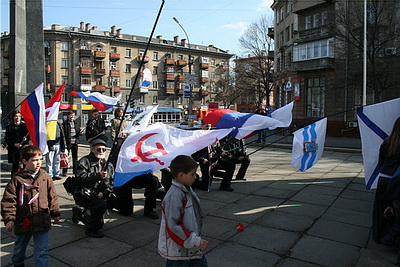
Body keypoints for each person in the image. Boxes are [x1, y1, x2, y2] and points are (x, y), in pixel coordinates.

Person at [1, 145, 60, 267]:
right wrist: (9, 219)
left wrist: (55, 213)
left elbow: (52, 196)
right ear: (25, 162)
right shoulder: (17, 180)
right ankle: (18, 263)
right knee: (19, 248)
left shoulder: (45, 176)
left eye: (39, 159)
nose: (38, 162)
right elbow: (8, 201)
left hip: (42, 219)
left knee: (42, 251)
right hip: (24, 220)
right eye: (34, 160)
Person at [158, 155, 209, 266]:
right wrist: (195, 241)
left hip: (191, 248)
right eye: (192, 174)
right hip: (178, 254)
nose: (195, 177)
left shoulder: (186, 189)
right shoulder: (174, 196)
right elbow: (173, 226)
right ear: (181, 175)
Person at [372, 117, 400, 265]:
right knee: (396, 211)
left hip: (384, 178)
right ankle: (392, 239)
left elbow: (381, 161)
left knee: (381, 209)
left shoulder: (387, 141)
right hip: (397, 180)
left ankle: (379, 235)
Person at [73, 139, 114, 238]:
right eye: (98, 149)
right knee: (101, 206)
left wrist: (104, 193)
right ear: (92, 149)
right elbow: (80, 178)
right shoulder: (84, 161)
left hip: (99, 193)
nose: (101, 152)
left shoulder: (108, 165)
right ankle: (90, 230)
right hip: (85, 193)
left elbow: (111, 182)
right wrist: (97, 176)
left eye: (103, 150)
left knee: (101, 221)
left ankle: (79, 214)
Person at [192, 122, 235, 192]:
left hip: (216, 160)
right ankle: (195, 182)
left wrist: (222, 152)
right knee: (205, 187)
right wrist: (201, 159)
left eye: (209, 126)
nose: (208, 128)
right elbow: (193, 154)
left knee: (231, 166)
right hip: (206, 163)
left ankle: (225, 185)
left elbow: (218, 147)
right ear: (202, 126)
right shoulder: (198, 138)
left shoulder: (213, 136)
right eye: (206, 126)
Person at [4, 110, 30, 176]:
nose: (17, 118)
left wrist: (26, 138)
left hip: (23, 147)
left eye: (19, 116)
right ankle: (13, 179)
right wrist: (14, 144)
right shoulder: (9, 127)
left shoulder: (25, 126)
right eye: (16, 116)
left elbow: (29, 136)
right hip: (14, 148)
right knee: (15, 165)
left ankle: (25, 178)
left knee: (25, 164)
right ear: (13, 117)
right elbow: (7, 139)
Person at [62, 111, 82, 176]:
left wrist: (80, 133)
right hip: (68, 143)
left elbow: (78, 132)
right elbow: (64, 134)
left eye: (73, 115)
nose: (72, 117)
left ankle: (75, 170)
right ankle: (64, 171)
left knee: (75, 157)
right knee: (66, 157)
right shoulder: (65, 124)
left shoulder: (76, 123)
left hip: (75, 142)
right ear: (68, 116)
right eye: (71, 115)